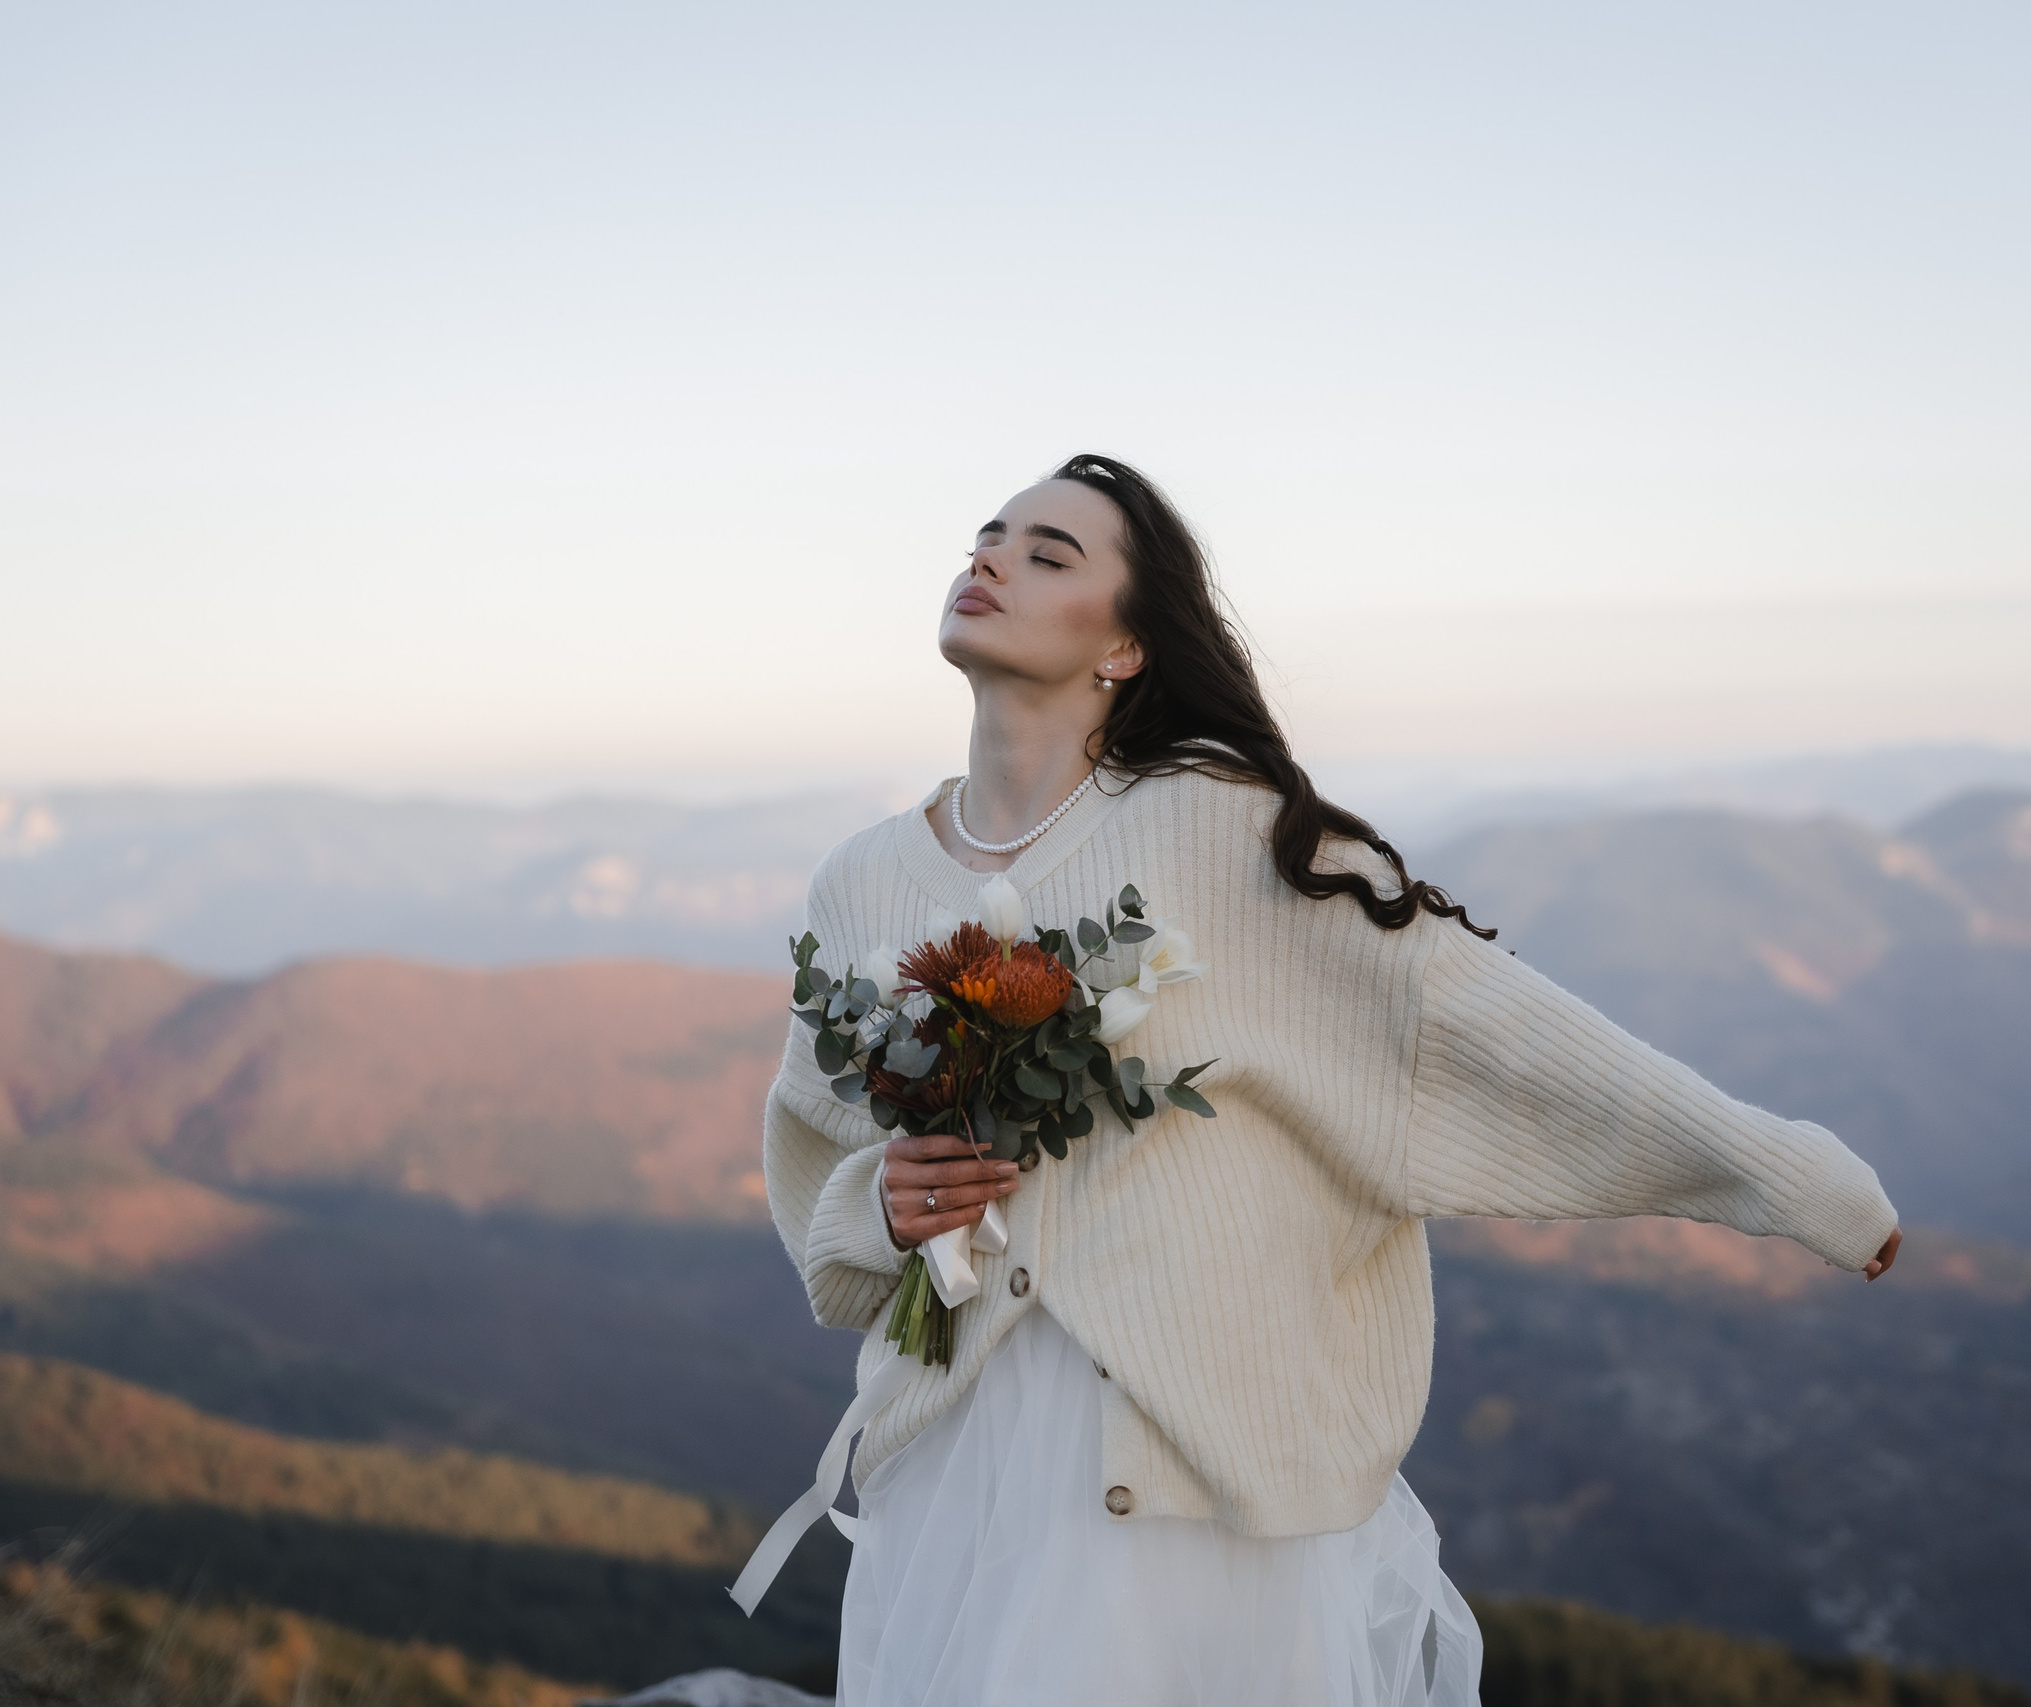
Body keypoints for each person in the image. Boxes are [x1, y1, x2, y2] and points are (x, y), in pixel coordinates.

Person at [751, 453, 1903, 1706]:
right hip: (959, 1468)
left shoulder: (1221, 827)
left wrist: (1785, 1174)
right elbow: (818, 1156)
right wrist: (879, 1207)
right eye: (987, 536)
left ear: (1125, 645)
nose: (988, 560)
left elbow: (1481, 1027)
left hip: (1189, 1477)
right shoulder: (859, 882)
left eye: (1048, 552)